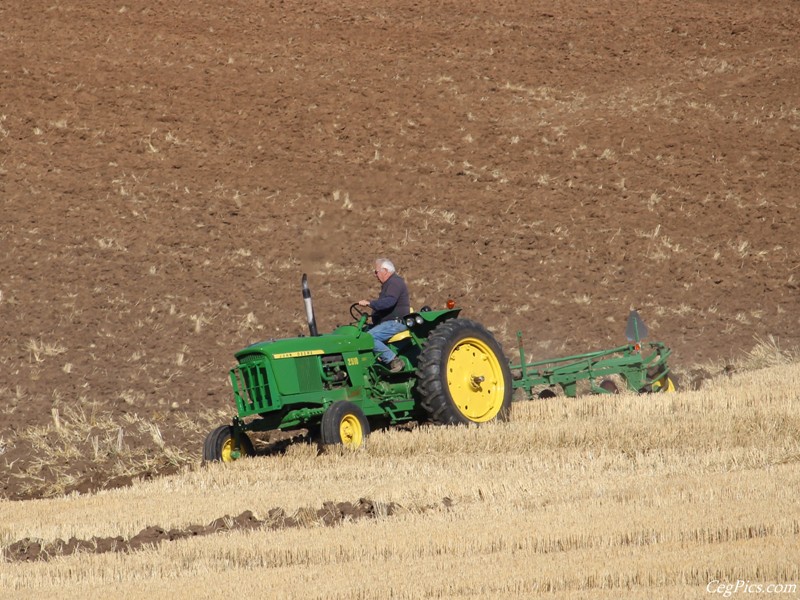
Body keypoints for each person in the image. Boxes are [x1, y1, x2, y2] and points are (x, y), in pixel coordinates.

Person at [358, 258, 410, 373]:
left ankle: (394, 360)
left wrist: (370, 303)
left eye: (376, 272)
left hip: (395, 323)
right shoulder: (389, 284)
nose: (375, 275)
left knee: (369, 338)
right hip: (387, 323)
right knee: (358, 335)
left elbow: (389, 302)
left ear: (385, 270)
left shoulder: (395, 282)